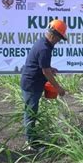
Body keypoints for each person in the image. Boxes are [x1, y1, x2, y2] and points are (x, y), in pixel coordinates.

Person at [20, 19, 67, 149]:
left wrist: (49, 68)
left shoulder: (43, 43)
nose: (58, 41)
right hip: (32, 84)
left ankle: (32, 137)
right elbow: (45, 71)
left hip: (32, 82)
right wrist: (58, 88)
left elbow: (42, 66)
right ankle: (31, 143)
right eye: (59, 38)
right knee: (31, 113)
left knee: (31, 112)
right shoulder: (44, 48)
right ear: (53, 35)